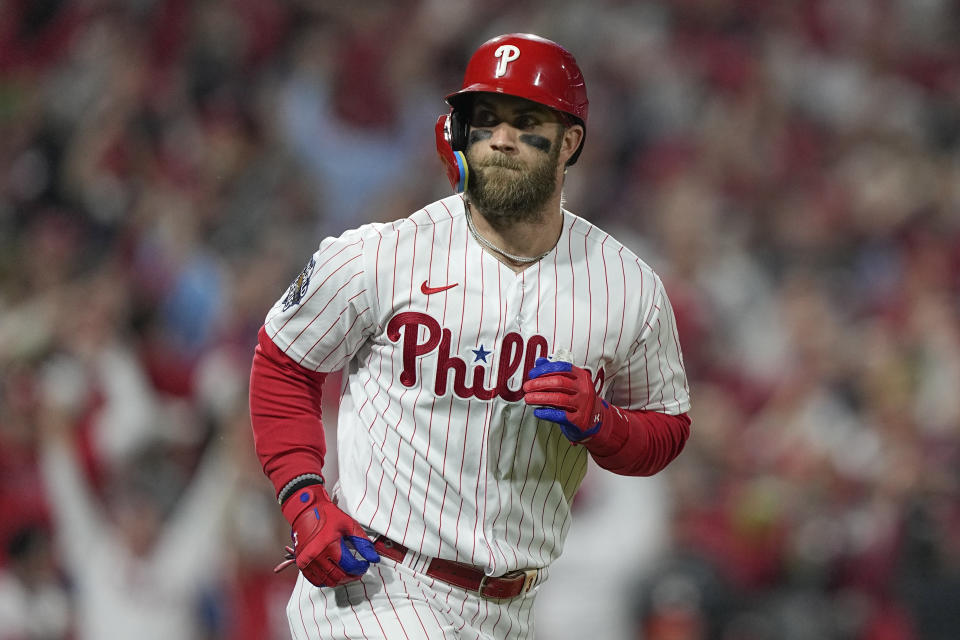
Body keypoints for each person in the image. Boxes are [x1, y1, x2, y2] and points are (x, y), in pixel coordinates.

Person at [249, 32, 692, 640]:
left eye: (525, 119)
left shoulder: (626, 285)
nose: (502, 137)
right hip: (378, 584)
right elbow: (284, 362)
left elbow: (667, 427)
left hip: (512, 607)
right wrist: (303, 496)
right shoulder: (381, 254)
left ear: (570, 142)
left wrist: (604, 426)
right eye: (485, 119)